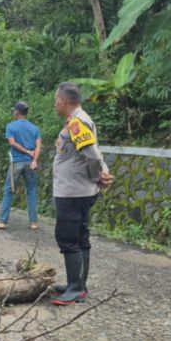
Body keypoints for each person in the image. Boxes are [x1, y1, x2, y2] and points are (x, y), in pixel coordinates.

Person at [50, 82, 113, 306]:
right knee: (79, 237)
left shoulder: (77, 122)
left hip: (74, 192)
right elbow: (94, 151)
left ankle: (76, 289)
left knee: (68, 238)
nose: (54, 104)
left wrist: (98, 176)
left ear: (63, 101)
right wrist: (101, 173)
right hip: (75, 190)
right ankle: (77, 284)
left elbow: (92, 155)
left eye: (56, 100)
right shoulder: (76, 120)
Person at [0, 102, 41, 230]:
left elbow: (12, 143)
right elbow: (38, 146)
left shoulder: (11, 126)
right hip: (30, 163)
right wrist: (35, 160)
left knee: (9, 190)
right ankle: (33, 222)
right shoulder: (35, 128)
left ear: (17, 112)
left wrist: (26, 151)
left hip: (16, 162)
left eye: (14, 111)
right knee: (31, 191)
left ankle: (3, 221)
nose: (13, 113)